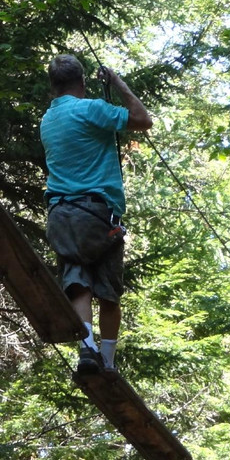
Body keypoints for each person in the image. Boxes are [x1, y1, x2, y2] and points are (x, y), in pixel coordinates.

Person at [40, 54, 152, 375]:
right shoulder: (91, 109)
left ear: (53, 87)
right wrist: (116, 82)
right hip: (98, 216)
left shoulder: (47, 120)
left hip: (61, 216)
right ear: (83, 83)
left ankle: (86, 349)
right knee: (107, 290)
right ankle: (107, 360)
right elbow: (143, 119)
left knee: (78, 284)